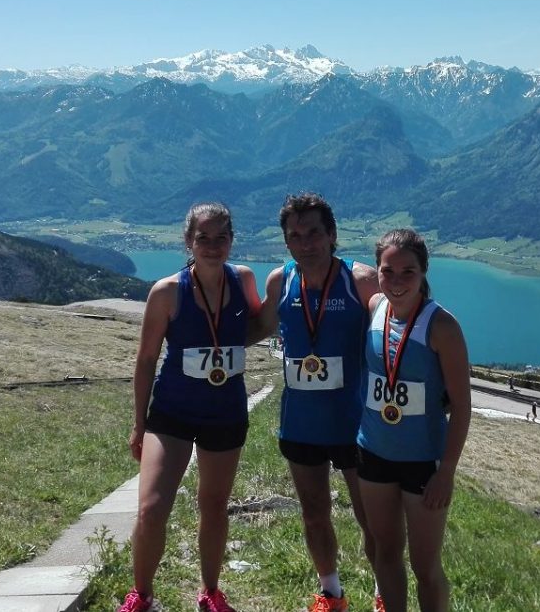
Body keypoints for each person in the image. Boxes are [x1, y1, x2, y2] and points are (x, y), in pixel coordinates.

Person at [118, 202, 262, 612]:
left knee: (214, 505)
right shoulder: (166, 291)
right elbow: (146, 359)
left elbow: (252, 326)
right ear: (188, 241)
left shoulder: (244, 280)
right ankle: (141, 595)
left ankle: (210, 591)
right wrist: (138, 424)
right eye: (204, 238)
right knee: (151, 507)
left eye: (221, 237)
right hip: (172, 413)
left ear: (232, 241)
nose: (213, 246)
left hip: (226, 413)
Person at [248, 193, 379, 611]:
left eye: (314, 233)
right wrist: (194, 329)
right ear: (286, 242)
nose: (306, 243)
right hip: (302, 422)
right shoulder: (279, 281)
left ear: (332, 235)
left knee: (371, 518)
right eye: (295, 235)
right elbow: (258, 328)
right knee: (314, 515)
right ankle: (331, 593)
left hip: (356, 423)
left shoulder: (361, 281)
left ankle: (383, 595)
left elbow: (396, 332)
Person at [357, 228, 472, 612]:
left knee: (425, 567)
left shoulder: (442, 327)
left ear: (424, 272)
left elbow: (462, 405)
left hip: (423, 463)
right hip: (373, 453)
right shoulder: (375, 307)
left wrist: (447, 472)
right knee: (385, 553)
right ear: (377, 272)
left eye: (408, 271)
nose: (397, 281)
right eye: (388, 271)